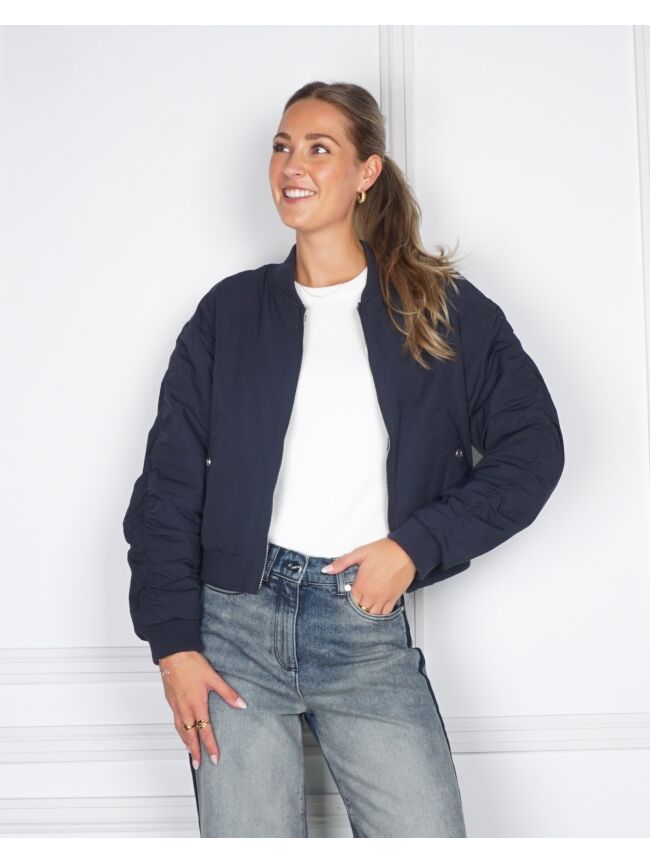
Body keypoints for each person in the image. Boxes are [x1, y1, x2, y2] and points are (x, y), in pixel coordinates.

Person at [123, 81, 565, 838]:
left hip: (362, 629)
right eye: (282, 147)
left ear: (367, 172)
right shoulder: (229, 314)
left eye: (319, 148)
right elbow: (167, 489)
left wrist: (414, 546)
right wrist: (174, 648)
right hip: (233, 633)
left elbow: (534, 451)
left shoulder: (440, 308)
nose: (292, 165)